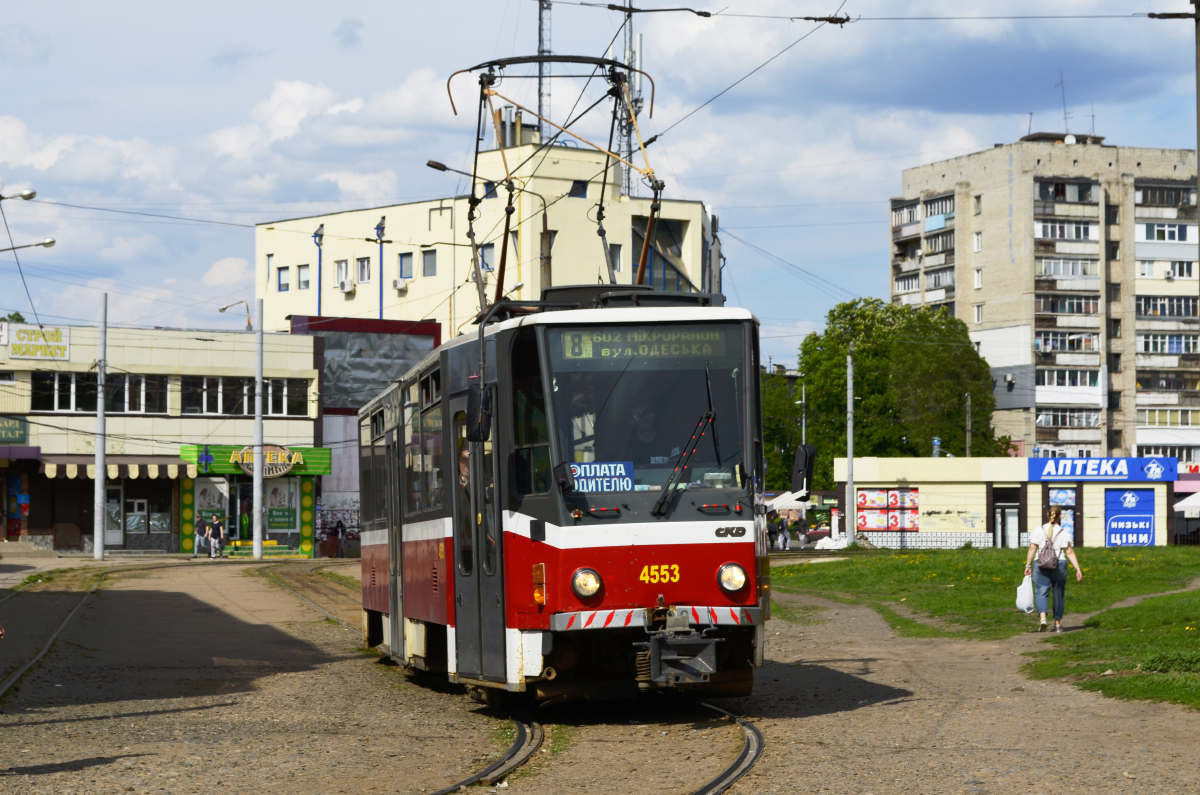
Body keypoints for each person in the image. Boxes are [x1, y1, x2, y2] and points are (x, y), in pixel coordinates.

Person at [1025, 506, 1083, 632]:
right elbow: (1069, 552)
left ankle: (1043, 618)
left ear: (1047, 514)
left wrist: (1028, 565)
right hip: (1059, 563)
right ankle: (1057, 624)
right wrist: (1077, 569)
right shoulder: (1064, 532)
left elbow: (1032, 548)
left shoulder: (1038, 530)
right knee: (1058, 593)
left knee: (1041, 591)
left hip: (1040, 563)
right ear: (1059, 516)